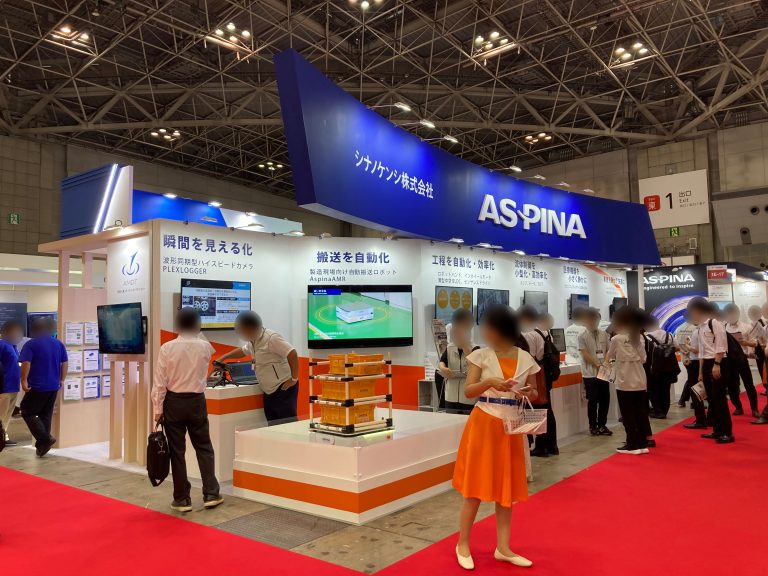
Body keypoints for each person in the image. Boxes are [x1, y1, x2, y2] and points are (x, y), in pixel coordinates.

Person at [453, 305, 539, 570]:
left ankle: (503, 547)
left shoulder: (525, 357)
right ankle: (462, 544)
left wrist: (527, 392)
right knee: (474, 489)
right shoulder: (480, 355)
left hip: (512, 426)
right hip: (484, 423)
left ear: (500, 329)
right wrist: (490, 382)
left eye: (488, 327)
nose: (484, 331)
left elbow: (536, 393)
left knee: (506, 491)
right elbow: (469, 391)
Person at [152, 307, 223, 512]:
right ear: (197, 325)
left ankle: (182, 498)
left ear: (177, 325)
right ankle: (211, 493)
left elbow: (160, 382)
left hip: (173, 402)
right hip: (197, 402)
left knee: (177, 451)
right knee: (204, 447)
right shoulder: (205, 347)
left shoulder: (167, 348)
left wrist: (157, 408)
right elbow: (206, 343)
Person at [217, 311, 299, 425]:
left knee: (288, 423)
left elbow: (292, 353)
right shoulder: (253, 340)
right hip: (269, 390)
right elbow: (243, 351)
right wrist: (224, 357)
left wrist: (294, 379)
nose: (242, 333)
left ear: (251, 328)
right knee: (273, 424)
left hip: (283, 387)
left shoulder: (271, 338)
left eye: (243, 329)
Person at [687, 297, 734, 444]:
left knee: (720, 399)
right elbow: (702, 352)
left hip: (718, 362)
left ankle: (727, 432)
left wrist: (717, 364)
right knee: (712, 400)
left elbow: (721, 345)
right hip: (707, 363)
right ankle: (717, 430)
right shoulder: (700, 328)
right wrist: (701, 372)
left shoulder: (714, 323)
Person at [605, 306, 650, 455]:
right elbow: (644, 359)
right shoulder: (639, 337)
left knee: (628, 414)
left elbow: (609, 357)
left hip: (624, 382)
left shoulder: (616, 339)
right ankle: (642, 443)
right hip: (640, 380)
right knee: (640, 413)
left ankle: (632, 444)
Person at [19, 318, 67, 457]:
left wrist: (24, 380)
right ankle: (42, 447)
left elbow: (26, 363)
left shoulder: (31, 344)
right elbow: (65, 362)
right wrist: (62, 379)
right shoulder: (58, 343)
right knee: (46, 414)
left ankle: (45, 439)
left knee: (26, 411)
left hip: (37, 386)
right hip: (53, 386)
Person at [520, 308, 559, 457]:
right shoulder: (545, 332)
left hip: (537, 375)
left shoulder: (530, 334)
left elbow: (530, 358)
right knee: (547, 408)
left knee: (536, 409)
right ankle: (551, 445)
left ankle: (541, 445)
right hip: (546, 375)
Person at [436, 308, 479, 414]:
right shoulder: (450, 347)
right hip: (451, 395)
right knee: (450, 421)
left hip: (468, 397)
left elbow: (473, 364)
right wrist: (443, 369)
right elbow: (442, 361)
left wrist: (464, 345)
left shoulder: (475, 348)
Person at [579, 308, 612, 436]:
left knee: (605, 399)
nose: (594, 322)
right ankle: (593, 426)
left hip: (604, 371)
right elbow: (584, 353)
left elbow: (608, 350)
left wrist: (605, 363)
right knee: (593, 400)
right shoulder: (582, 336)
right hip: (590, 373)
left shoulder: (604, 334)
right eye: (591, 320)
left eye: (596, 320)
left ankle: (602, 425)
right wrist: (596, 364)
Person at [724, 303, 760, 418]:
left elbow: (755, 343)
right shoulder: (724, 327)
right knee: (732, 385)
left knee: (749, 384)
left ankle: (754, 408)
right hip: (729, 359)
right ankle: (738, 407)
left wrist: (745, 342)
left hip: (742, 358)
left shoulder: (746, 327)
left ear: (737, 313)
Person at [644, 317, 679, 419]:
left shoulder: (648, 337)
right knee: (665, 390)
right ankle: (664, 411)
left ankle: (658, 411)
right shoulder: (669, 335)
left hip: (654, 367)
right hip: (668, 367)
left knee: (653, 389)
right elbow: (677, 347)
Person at [0, 324, 21, 447]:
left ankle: (4, 436)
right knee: (2, 413)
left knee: (8, 413)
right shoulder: (2, 344)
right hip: (5, 385)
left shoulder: (13, 346)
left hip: (14, 384)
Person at [676, 315, 697, 408]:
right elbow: (694, 345)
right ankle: (690, 401)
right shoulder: (694, 328)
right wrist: (689, 351)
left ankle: (686, 400)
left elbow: (677, 344)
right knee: (693, 380)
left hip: (684, 357)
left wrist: (684, 351)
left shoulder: (679, 328)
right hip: (693, 357)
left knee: (692, 379)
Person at [746, 305, 766, 395]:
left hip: (763, 348)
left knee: (763, 369)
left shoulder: (762, 322)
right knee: (761, 368)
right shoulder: (752, 324)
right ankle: (766, 387)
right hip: (759, 349)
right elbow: (752, 338)